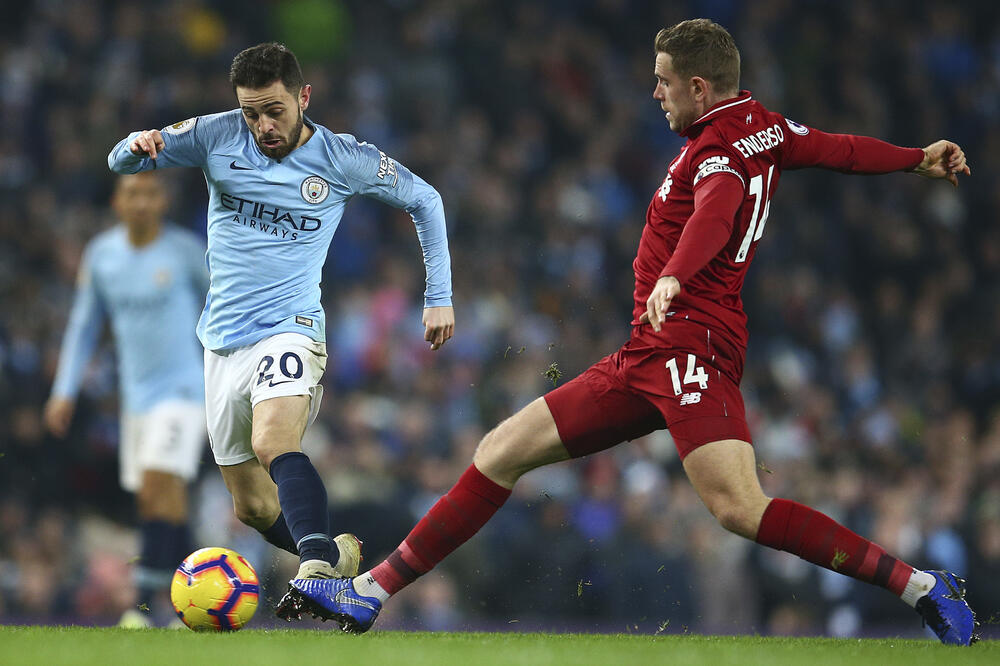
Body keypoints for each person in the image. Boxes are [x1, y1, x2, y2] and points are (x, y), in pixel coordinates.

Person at [278, 19, 978, 645]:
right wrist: (914, 156)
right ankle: (370, 592)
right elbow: (839, 148)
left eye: (664, 83)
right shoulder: (764, 126)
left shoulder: (716, 154)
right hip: (651, 352)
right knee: (500, 451)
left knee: (739, 508)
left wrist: (676, 272)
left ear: (700, 87)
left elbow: (716, 206)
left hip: (689, 348)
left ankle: (921, 587)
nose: (655, 94)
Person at [107, 43, 454, 586]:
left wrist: (439, 296)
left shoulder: (343, 158)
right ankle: (332, 557)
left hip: (289, 329)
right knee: (249, 505)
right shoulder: (215, 134)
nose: (262, 125)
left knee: (274, 441)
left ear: (303, 97)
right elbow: (119, 162)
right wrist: (136, 144)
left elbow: (425, 200)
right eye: (251, 112)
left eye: (274, 110)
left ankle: (313, 569)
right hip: (221, 340)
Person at [45, 171, 209, 627]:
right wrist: (64, 390)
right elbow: (84, 325)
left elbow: (221, 303)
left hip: (183, 390)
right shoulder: (102, 255)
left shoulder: (184, 252)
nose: (141, 202)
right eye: (132, 194)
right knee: (162, 502)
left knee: (159, 484)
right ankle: (198, 597)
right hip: (136, 398)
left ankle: (142, 606)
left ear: (163, 202)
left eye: (150, 194)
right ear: (118, 202)